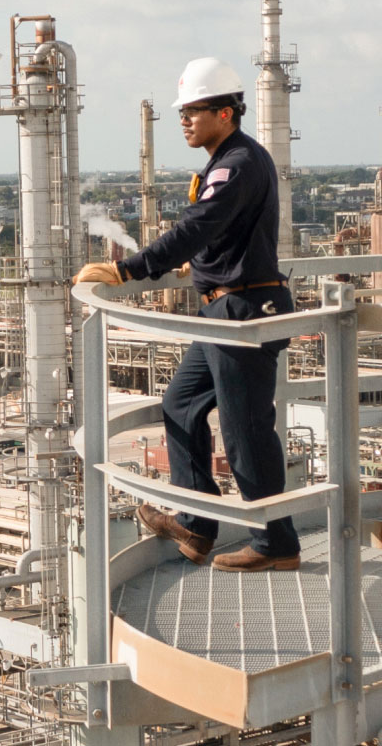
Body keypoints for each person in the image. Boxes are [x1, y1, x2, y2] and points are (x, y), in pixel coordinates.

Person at [73, 57, 300, 572]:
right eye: (182, 112)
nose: (184, 120)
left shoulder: (238, 164)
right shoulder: (227, 160)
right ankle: (197, 525)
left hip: (243, 311)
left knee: (246, 431)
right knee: (180, 405)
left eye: (193, 111)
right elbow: (215, 235)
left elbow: (200, 225)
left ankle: (277, 543)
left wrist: (130, 269)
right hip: (222, 308)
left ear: (226, 113)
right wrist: (191, 267)